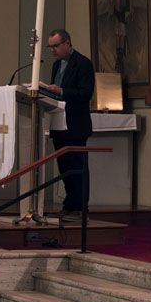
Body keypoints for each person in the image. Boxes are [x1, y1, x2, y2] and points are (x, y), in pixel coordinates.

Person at [40, 29, 96, 220]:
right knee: (64, 168)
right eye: (50, 47)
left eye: (55, 46)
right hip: (59, 124)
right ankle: (69, 205)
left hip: (75, 124)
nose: (52, 50)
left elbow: (86, 93)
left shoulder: (83, 63)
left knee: (77, 167)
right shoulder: (56, 65)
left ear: (67, 43)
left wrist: (61, 91)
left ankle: (81, 207)